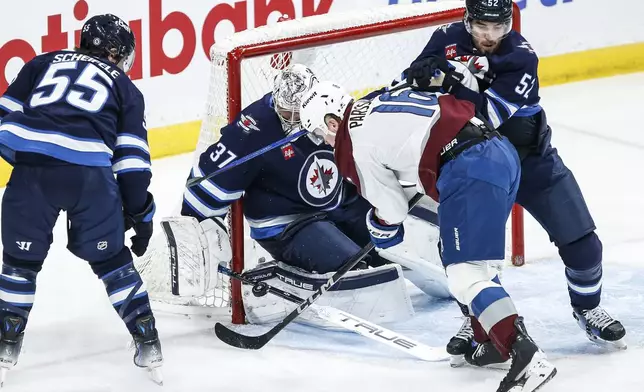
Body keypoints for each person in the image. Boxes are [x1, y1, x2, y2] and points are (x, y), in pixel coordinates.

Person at [298, 71, 557, 391]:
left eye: (320, 132)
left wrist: (377, 226)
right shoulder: (378, 100)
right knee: (466, 259)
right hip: (499, 151)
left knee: (466, 276)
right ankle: (490, 340)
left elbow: (392, 211)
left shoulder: (353, 143)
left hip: (468, 168)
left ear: (332, 121)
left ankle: (525, 356)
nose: (324, 141)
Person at [402, 0, 626, 365]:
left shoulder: (521, 57)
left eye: (499, 28)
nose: (490, 37)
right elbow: (413, 84)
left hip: (531, 160)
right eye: (482, 28)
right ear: (467, 20)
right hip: (476, 168)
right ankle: (477, 319)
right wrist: (418, 76)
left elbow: (483, 116)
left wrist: (449, 79)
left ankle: (588, 310)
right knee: (465, 259)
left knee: (584, 245)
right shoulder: (445, 38)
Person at [148, 63, 449, 326]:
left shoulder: (327, 109)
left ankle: (447, 277)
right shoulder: (253, 131)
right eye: (285, 113)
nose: (293, 120)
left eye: (299, 111)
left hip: (340, 202)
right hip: (290, 223)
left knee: (401, 241)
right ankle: (287, 278)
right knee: (356, 270)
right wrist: (196, 233)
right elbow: (204, 190)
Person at [0, 14, 162, 384]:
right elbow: (133, 166)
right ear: (121, 52)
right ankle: (147, 339)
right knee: (112, 261)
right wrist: (141, 213)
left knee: (20, 263)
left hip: (33, 172)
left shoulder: (41, 62)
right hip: (90, 177)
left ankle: (6, 342)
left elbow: (4, 115)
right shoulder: (126, 87)